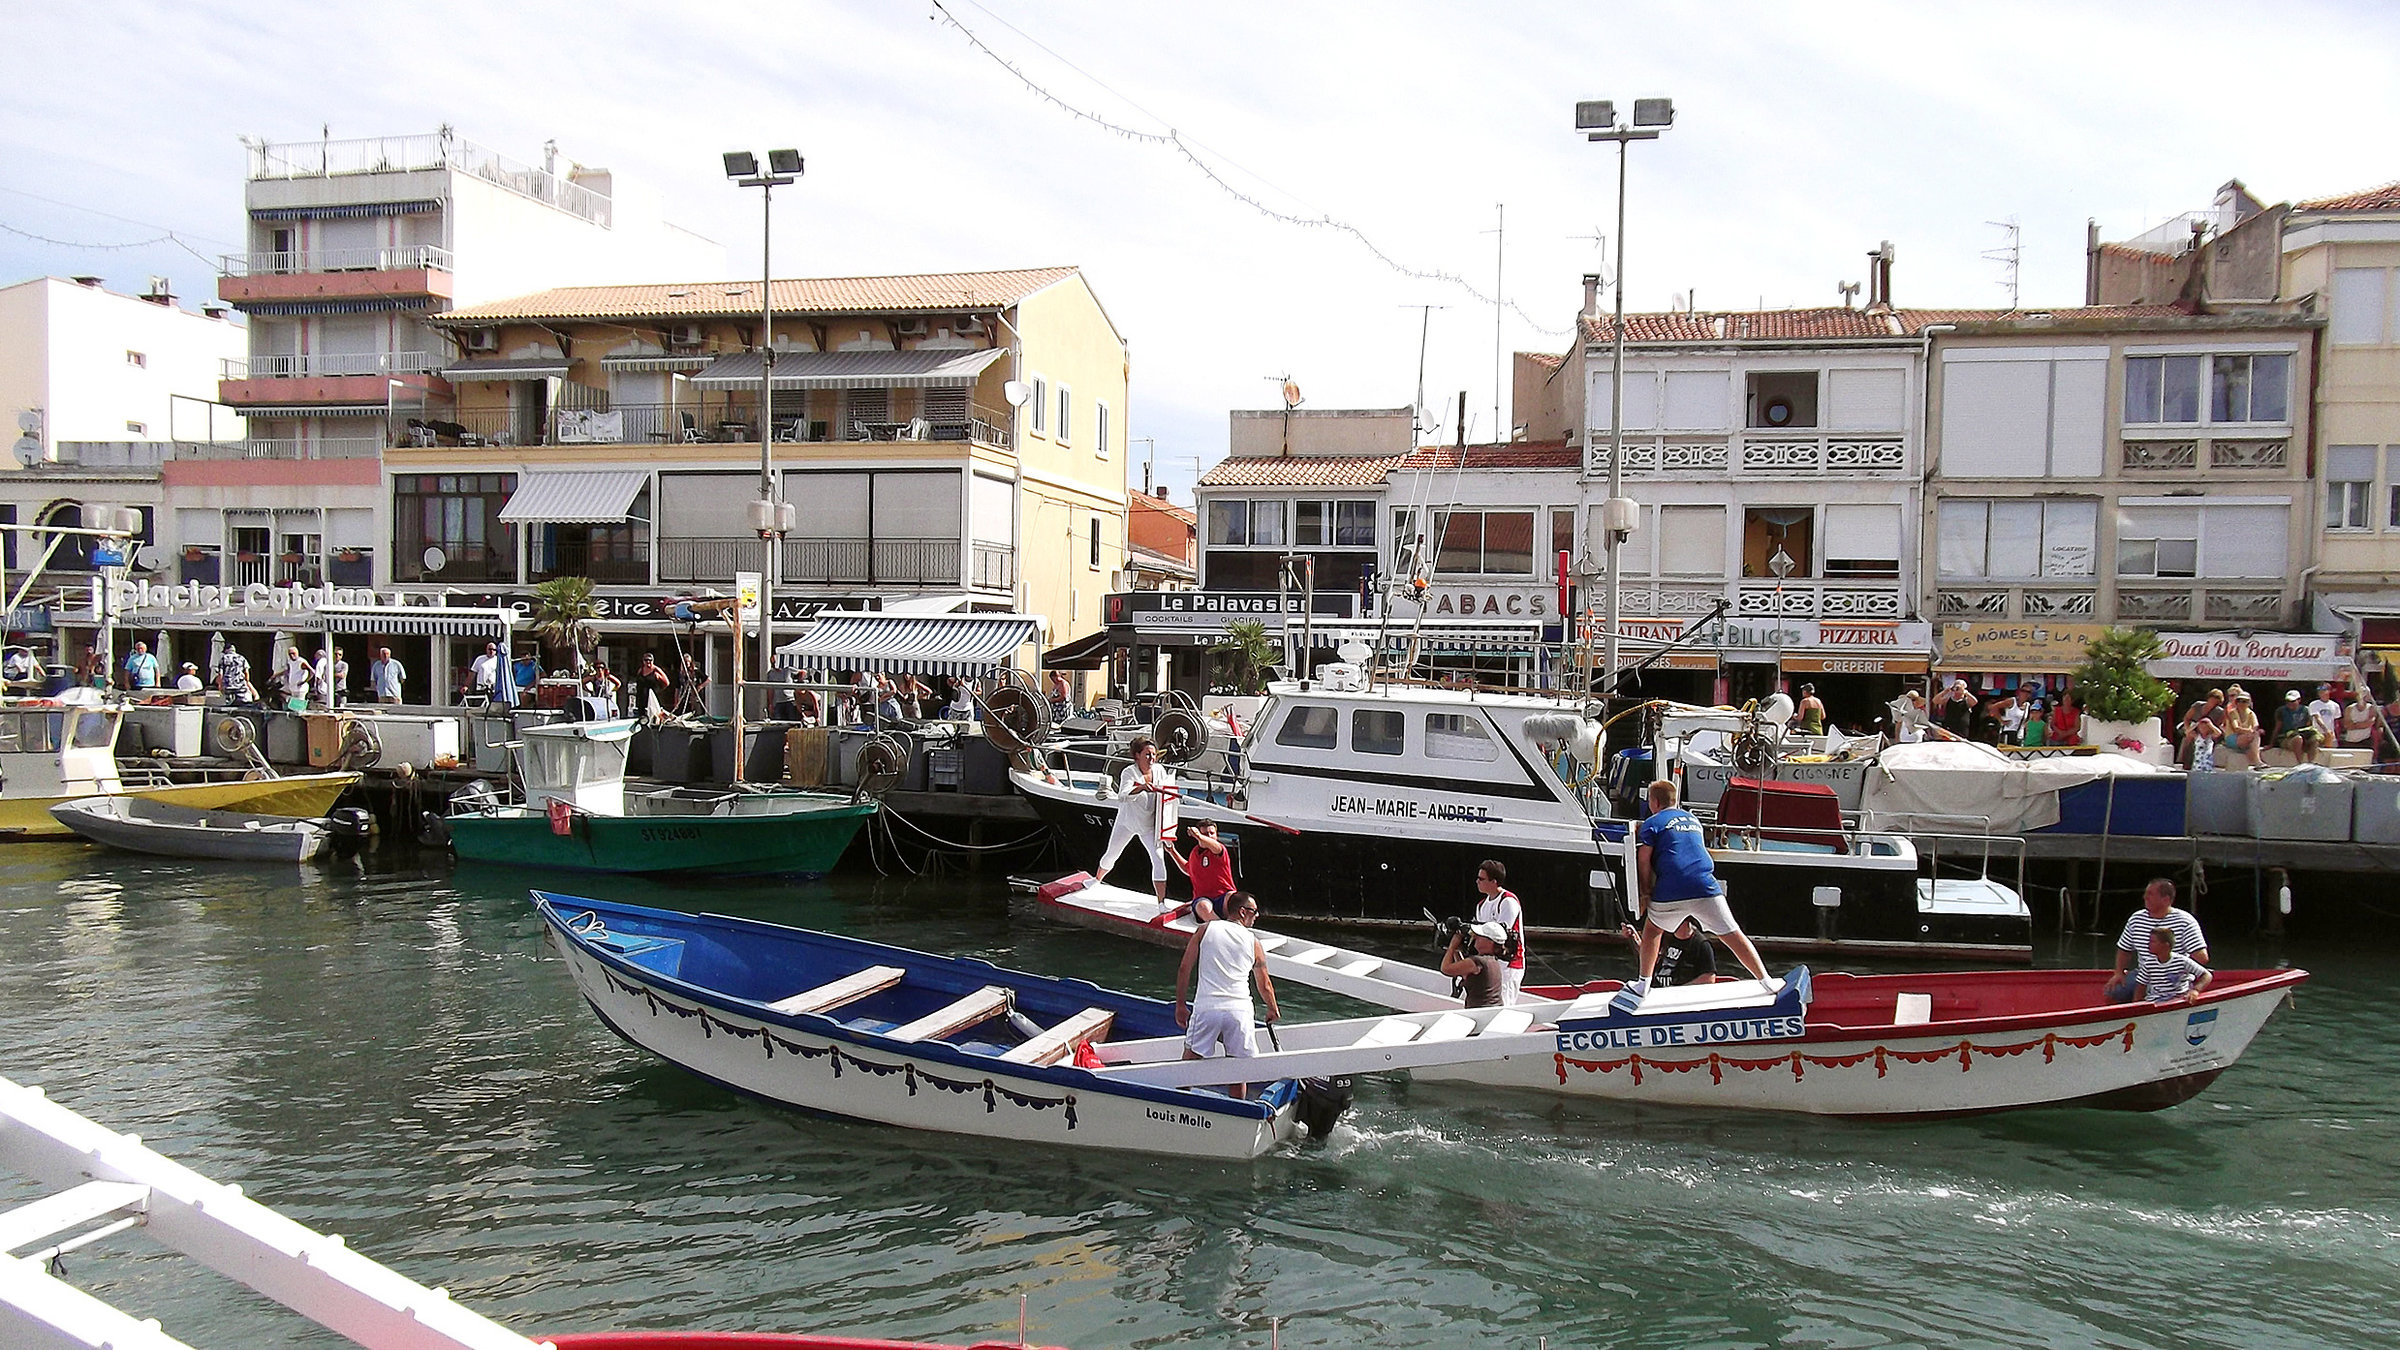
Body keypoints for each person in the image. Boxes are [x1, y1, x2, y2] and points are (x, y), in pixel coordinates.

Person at [1619, 780, 1774, 1009]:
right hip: (1705, 884)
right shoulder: (1694, 820)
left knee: (1652, 931)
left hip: (1672, 887)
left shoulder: (1652, 823)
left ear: (1654, 802)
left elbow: (1643, 859)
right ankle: (1766, 980)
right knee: (1732, 933)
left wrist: (1645, 892)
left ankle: (1643, 984)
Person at [1172, 891, 1279, 1099]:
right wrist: (1272, 1008)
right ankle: (1237, 1116)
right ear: (1242, 911)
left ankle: (1178, 1106)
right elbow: (1264, 984)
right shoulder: (1254, 942)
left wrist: (1180, 1005)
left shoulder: (1204, 930)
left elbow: (1184, 969)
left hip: (1207, 1008)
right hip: (1239, 1012)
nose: (1257, 916)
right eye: (1254, 912)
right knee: (1238, 1073)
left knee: (1187, 1066)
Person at [1096, 735, 1177, 903]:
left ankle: (1161, 902)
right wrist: (1140, 788)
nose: (1152, 758)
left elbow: (1167, 797)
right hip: (1127, 822)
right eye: (1147, 754)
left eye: (1153, 754)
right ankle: (1096, 880)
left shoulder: (1160, 771)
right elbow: (1122, 796)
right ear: (1137, 756)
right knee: (1112, 854)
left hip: (1148, 826)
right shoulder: (1129, 772)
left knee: (1159, 860)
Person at [2105, 877, 2208, 1004]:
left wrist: (2182, 966)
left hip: (2173, 975)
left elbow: (2202, 957)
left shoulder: (2185, 921)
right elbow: (2124, 949)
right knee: (2114, 991)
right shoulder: (2136, 919)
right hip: (2145, 972)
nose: (2145, 897)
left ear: (2165, 900)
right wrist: (2119, 973)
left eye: (2150, 894)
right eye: (2146, 893)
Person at [1471, 859, 1527, 1006]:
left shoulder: (1508, 901)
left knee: (1505, 1004)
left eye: (1481, 879)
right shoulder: (1481, 906)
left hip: (1510, 964)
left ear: (1494, 881)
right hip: (1491, 963)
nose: (1477, 881)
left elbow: (1499, 935)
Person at [1166, 819, 1236, 924]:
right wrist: (1172, 851)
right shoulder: (1195, 853)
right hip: (1203, 899)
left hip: (1223, 896)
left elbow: (1215, 846)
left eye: (1212, 833)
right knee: (1203, 907)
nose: (1209, 836)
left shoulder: (1220, 850)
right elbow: (1188, 869)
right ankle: (1222, 928)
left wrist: (1199, 836)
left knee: (1235, 899)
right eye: (1205, 833)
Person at [1619, 914, 1718, 987]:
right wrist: (1634, 937)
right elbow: (1650, 957)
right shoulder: (1665, 936)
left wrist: (1678, 990)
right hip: (1654, 990)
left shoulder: (1701, 945)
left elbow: (1708, 978)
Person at [1440, 920, 1512, 1008]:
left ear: (1489, 942)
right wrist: (1456, 951)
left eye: (1479, 936)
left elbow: (1445, 969)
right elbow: (1463, 972)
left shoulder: (1477, 961)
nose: (1475, 937)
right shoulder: (1492, 960)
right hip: (1493, 1010)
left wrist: (1452, 946)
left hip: (1480, 1012)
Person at [2136, 925, 2213, 1003]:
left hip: (2180, 1000)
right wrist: (2136, 1005)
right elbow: (2141, 986)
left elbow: (2206, 975)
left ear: (2166, 945)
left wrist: (2195, 990)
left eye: (2152, 942)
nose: (2148, 944)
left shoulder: (2182, 961)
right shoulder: (2149, 964)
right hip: (2156, 1001)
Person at [2275, 689, 2317, 764]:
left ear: (2299, 700)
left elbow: (2309, 725)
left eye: (2292, 701)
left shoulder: (2305, 710)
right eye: (2288, 701)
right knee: (2298, 739)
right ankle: (2300, 763)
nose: (2290, 703)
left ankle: (2311, 762)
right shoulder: (2281, 711)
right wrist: (2271, 743)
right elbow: (2277, 727)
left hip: (2303, 735)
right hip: (2286, 738)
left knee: (2314, 739)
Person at [2221, 688, 2261, 764]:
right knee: (2252, 737)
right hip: (2232, 737)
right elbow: (2236, 728)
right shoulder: (2233, 713)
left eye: (2245, 701)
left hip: (2246, 737)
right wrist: (2249, 731)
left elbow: (2255, 726)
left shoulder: (2251, 714)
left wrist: (2251, 732)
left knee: (2255, 736)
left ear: (2249, 703)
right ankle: (2257, 761)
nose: (2242, 703)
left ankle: (2256, 761)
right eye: (2240, 701)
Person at [2341, 689, 2376, 758]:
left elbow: (2369, 723)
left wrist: (2354, 725)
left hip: (2364, 741)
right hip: (2350, 741)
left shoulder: (2371, 708)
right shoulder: (2350, 708)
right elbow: (2347, 725)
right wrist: (2362, 724)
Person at [278, 646, 314, 712]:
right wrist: (275, 675)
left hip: (300, 688)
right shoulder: (290, 662)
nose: (292, 655)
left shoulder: (301, 661)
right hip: (293, 687)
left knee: (299, 707)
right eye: (290, 654)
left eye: (293, 653)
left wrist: (304, 681)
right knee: (282, 694)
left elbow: (312, 671)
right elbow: (287, 670)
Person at [2308, 684, 2342, 754]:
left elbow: (2336, 722)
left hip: (2331, 735)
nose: (2321, 693)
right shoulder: (2314, 704)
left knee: (2330, 753)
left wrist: (2337, 735)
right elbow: (2317, 718)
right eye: (2319, 691)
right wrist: (2326, 730)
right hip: (2318, 734)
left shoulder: (2335, 705)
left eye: (2324, 690)